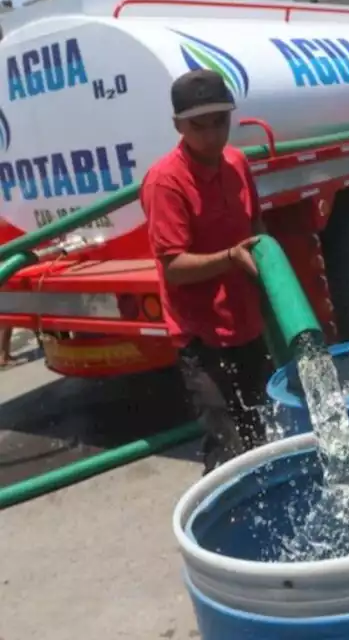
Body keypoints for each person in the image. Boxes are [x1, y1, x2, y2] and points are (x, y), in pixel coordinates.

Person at [139, 69, 275, 475]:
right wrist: (231, 258)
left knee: (262, 431)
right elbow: (174, 268)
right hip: (202, 335)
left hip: (247, 324)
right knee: (226, 444)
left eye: (222, 122)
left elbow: (257, 230)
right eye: (200, 125)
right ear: (178, 125)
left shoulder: (236, 163)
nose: (214, 135)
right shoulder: (166, 182)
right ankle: (224, 531)